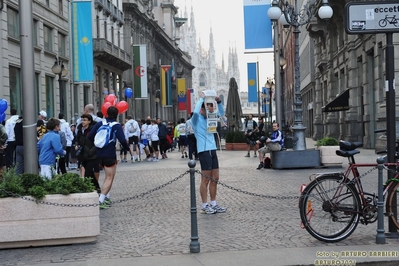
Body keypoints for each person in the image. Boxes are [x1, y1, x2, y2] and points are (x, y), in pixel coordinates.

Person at [87, 106, 130, 209]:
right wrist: (127, 148)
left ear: (106, 113)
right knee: (110, 177)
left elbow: (89, 136)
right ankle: (101, 200)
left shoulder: (99, 123)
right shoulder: (116, 126)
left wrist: (99, 143)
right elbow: (122, 140)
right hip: (110, 153)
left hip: (99, 153)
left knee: (107, 177)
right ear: (117, 115)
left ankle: (106, 196)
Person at [191, 92, 226, 215]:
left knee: (215, 178)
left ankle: (213, 203)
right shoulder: (195, 119)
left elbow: (221, 113)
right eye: (208, 107)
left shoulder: (210, 117)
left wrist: (219, 102)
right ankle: (204, 205)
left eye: (212, 107)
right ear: (202, 109)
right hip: (203, 150)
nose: (211, 109)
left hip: (212, 149)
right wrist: (202, 99)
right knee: (205, 179)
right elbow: (195, 112)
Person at [76, 114, 101, 192]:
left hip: (91, 155)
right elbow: (77, 139)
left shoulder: (93, 130)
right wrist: (77, 145)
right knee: (89, 174)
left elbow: (96, 142)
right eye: (82, 120)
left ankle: (92, 188)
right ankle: (96, 188)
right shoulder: (80, 130)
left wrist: (91, 151)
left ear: (89, 121)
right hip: (83, 154)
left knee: (88, 173)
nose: (83, 122)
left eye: (85, 120)